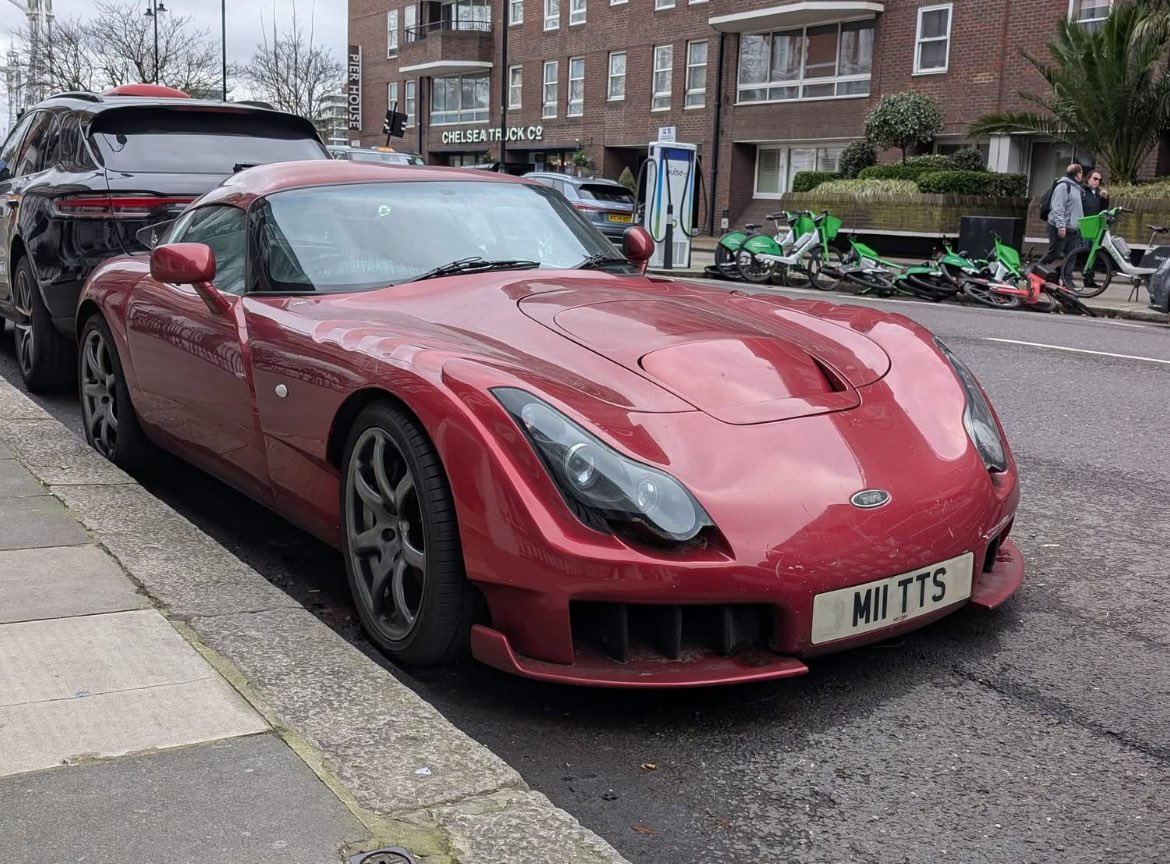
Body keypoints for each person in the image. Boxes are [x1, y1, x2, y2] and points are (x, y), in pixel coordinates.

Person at [1041, 163, 1085, 265]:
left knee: (1071, 256)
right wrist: (1061, 226)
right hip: (1060, 227)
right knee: (1054, 253)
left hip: (1072, 228)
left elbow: (1077, 209)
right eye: (1081, 172)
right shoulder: (1063, 186)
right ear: (1077, 174)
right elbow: (1058, 208)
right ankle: (1035, 271)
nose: (1082, 175)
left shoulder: (1077, 188)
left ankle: (1067, 280)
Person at [1080, 169, 1109, 286]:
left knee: (1093, 253)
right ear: (1088, 179)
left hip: (1094, 227)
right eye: (1095, 179)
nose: (1097, 182)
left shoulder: (1098, 193)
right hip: (1083, 226)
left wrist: (1105, 198)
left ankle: (1089, 279)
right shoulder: (1082, 191)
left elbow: (1103, 211)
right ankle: (1060, 272)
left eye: (1099, 180)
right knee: (1081, 253)